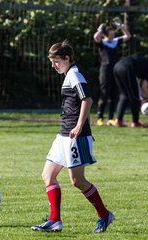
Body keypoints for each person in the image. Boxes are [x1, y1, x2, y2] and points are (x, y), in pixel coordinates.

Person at [31, 40, 114, 233]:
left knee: (77, 181)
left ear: (67, 58)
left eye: (56, 61)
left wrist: (78, 126)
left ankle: (104, 214)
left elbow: (87, 99)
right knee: (47, 175)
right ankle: (55, 221)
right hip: (63, 135)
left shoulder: (75, 75)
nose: (53, 65)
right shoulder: (68, 74)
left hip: (76, 136)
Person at [93, 21, 131, 126]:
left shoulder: (115, 42)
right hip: (105, 71)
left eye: (114, 34)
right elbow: (96, 37)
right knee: (104, 93)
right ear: (105, 35)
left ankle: (110, 118)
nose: (113, 36)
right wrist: (100, 29)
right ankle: (100, 118)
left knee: (114, 94)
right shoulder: (102, 43)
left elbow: (128, 36)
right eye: (110, 35)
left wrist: (122, 27)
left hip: (115, 71)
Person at [112, 54, 148, 127]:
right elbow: (144, 86)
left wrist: (143, 97)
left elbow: (140, 85)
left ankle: (118, 120)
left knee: (124, 95)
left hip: (117, 67)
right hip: (127, 68)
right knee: (134, 98)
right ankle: (135, 122)